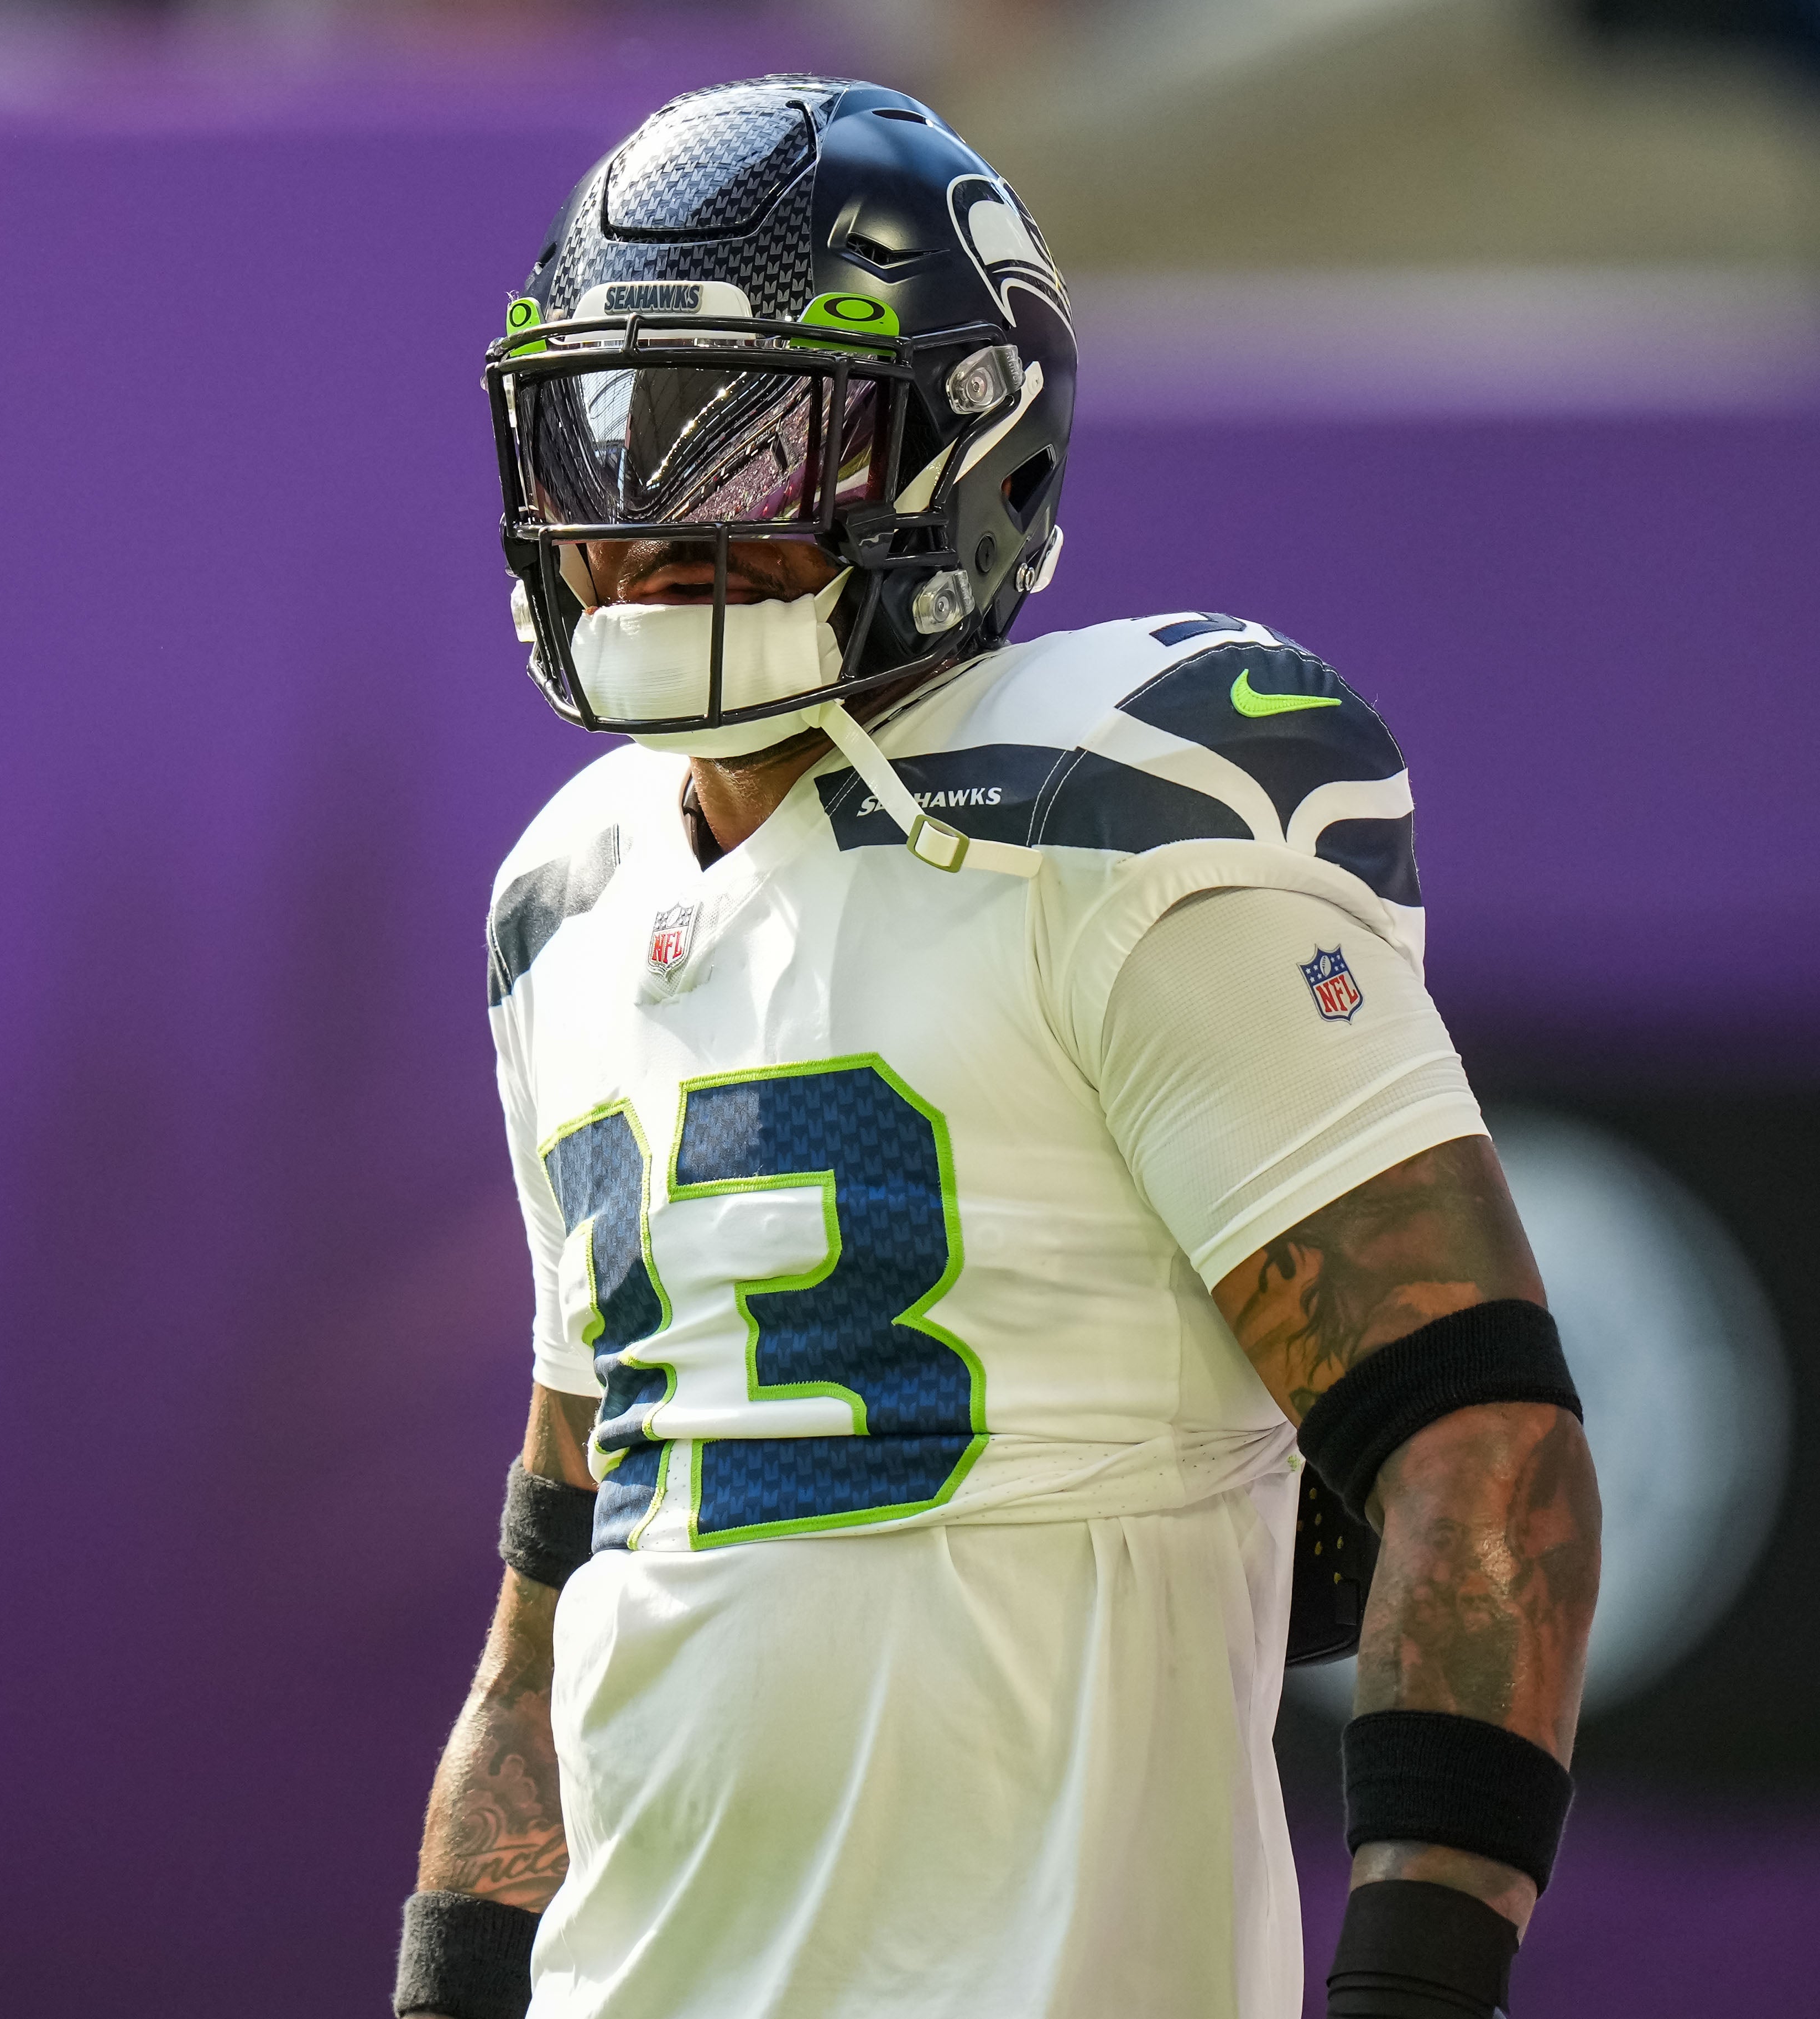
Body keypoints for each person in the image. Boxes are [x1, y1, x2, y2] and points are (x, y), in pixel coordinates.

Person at [393, 76, 1599, 2019]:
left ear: (969, 457)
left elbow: (1486, 1448)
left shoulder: (1116, 816)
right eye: (611, 430)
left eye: (761, 443)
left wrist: (1411, 1981)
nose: (655, 518)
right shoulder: (567, 895)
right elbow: (554, 1586)